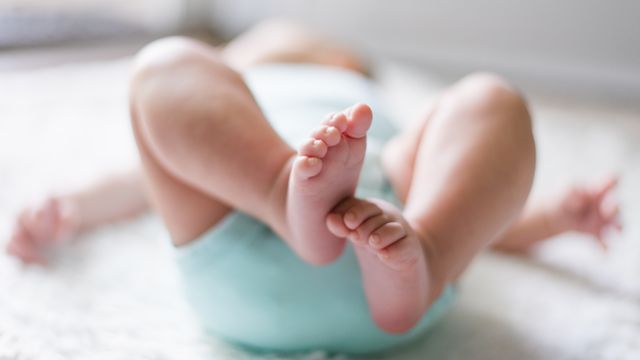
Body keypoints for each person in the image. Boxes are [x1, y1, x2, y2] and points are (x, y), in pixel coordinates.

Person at [6, 20, 621, 354]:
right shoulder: (231, 103)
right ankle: (285, 191)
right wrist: (70, 208)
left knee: (488, 105)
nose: (304, 54)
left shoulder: (381, 119)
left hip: (357, 244)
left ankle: (419, 248)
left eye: (326, 58)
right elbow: (141, 180)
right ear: (238, 72)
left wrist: (550, 218)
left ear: (350, 72)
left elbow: (476, 211)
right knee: (167, 68)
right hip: (254, 212)